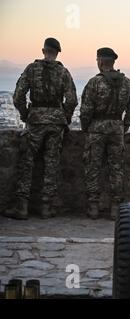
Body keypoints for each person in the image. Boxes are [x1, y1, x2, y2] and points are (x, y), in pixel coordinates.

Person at [4, 37, 77, 220]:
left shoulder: (31, 69)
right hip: (56, 123)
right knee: (51, 163)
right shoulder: (63, 72)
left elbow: (18, 96)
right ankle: (46, 207)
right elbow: (72, 100)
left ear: (43, 50)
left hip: (35, 120)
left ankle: (21, 207)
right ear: (57, 52)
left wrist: (25, 114)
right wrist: (64, 118)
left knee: (27, 162)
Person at [80, 47, 130, 220]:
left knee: (93, 167)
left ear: (101, 61)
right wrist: (122, 127)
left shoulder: (94, 83)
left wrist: (87, 128)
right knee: (117, 168)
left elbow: (85, 110)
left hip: (96, 128)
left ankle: (93, 207)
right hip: (116, 129)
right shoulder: (127, 83)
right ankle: (115, 208)